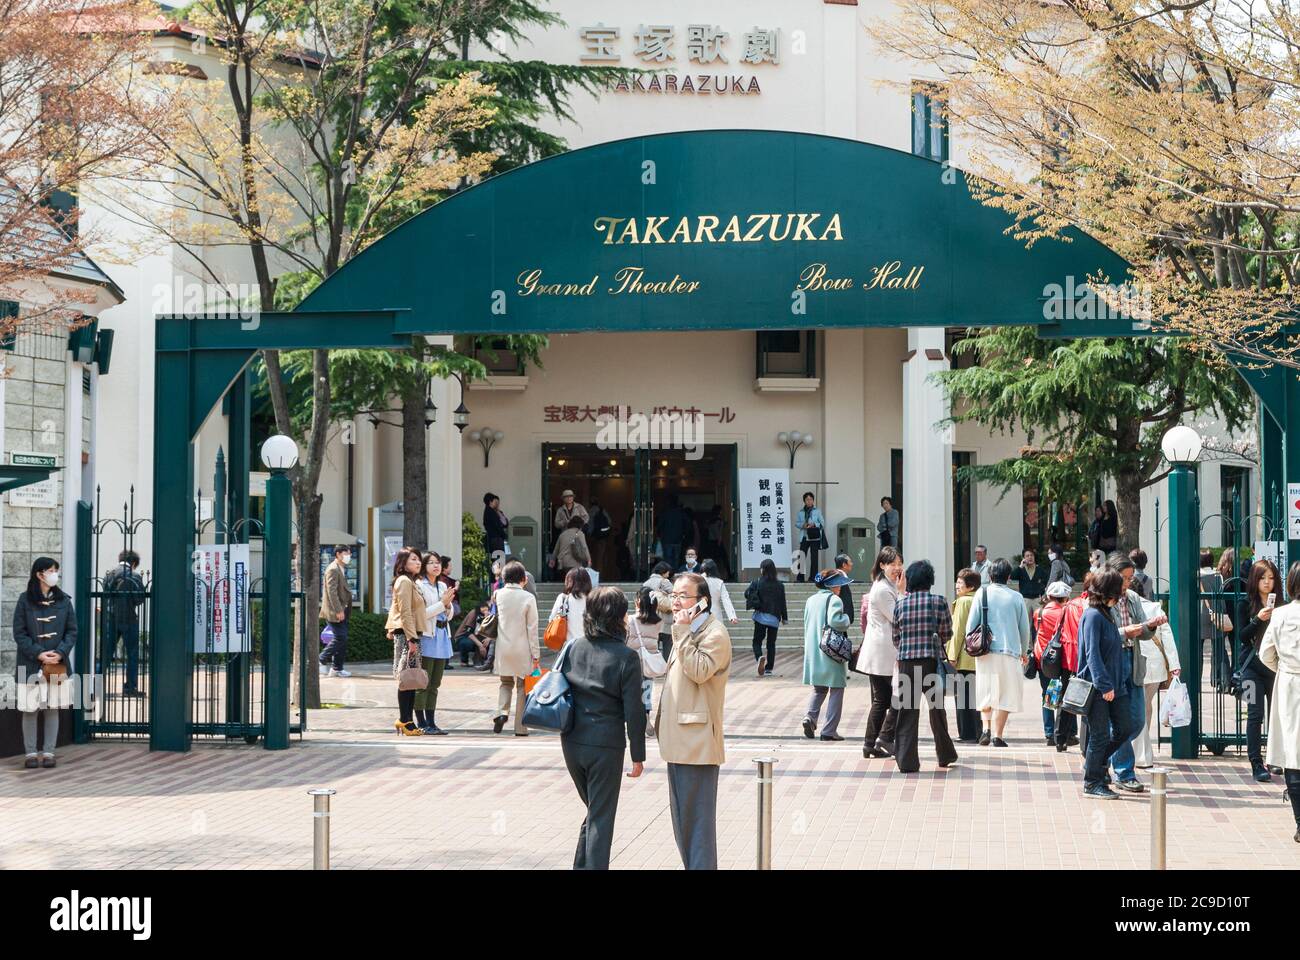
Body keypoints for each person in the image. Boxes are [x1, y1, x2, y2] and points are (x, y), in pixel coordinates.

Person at [560, 585, 647, 869]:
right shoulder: (627, 657)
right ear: (619, 617)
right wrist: (638, 754)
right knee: (601, 817)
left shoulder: (574, 647)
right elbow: (634, 711)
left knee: (595, 810)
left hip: (571, 741)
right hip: (605, 746)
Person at [653, 572, 731, 870]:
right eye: (673, 595)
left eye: (683, 596)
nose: (675, 602)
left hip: (697, 744)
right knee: (683, 825)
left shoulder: (714, 633)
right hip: (679, 742)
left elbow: (699, 671)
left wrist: (683, 633)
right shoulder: (685, 629)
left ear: (702, 601)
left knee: (697, 827)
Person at [1103, 553, 1164, 792]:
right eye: (1124, 578)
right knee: (1119, 720)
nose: (1127, 583)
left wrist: (1150, 626)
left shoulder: (1132, 598)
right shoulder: (1103, 600)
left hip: (1134, 659)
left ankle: (1101, 758)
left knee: (1137, 720)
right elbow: (1103, 634)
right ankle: (1124, 771)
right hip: (1114, 661)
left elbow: (1144, 632)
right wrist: (1125, 632)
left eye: (1129, 578)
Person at [891, 560, 959, 773]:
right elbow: (948, 633)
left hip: (907, 663)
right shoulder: (939, 602)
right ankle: (945, 755)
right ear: (930, 581)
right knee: (937, 710)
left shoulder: (900, 605)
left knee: (907, 711)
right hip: (932, 662)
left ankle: (906, 761)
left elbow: (896, 637)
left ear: (909, 581)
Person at [1077, 570, 1135, 799]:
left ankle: (1097, 763)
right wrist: (1104, 685)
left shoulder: (1107, 613)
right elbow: (1092, 656)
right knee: (1099, 735)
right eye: (1119, 589)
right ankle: (1092, 781)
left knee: (1125, 728)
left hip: (1115, 685)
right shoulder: (1092, 615)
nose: (1122, 593)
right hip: (1098, 687)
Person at [13, 557, 76, 768]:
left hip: (57, 662)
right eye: (50, 570)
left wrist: (60, 652)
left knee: (52, 708)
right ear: (39, 574)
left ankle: (49, 752)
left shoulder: (64, 601)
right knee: (30, 709)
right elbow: (19, 633)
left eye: (56, 570)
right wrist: (39, 653)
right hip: (30, 662)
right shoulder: (24, 600)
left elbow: (72, 631)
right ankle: (30, 753)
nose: (54, 574)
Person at [965, 558, 1032, 746]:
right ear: (1009, 576)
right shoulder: (1016, 597)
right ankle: (998, 735)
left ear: (990, 574)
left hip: (985, 650)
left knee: (986, 690)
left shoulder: (981, 593)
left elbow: (971, 625)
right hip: (1010, 652)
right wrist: (1024, 651)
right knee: (1007, 694)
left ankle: (985, 729)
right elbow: (1024, 629)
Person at [1257, 561, 1300, 843]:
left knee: (1292, 754)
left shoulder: (1281, 614)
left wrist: (1285, 669)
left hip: (1290, 685)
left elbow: (1266, 654)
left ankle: (1299, 821)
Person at [1237, 559, 1282, 782]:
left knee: (1278, 714)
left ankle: (1275, 759)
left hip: (1276, 667)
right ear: (1254, 580)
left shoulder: (1282, 605)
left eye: (1271, 578)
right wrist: (1258, 619)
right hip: (1251, 668)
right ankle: (1256, 762)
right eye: (1262, 578)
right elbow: (1241, 636)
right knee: (1255, 715)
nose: (1267, 582)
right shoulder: (1245, 604)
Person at [856, 546, 903, 758]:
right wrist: (902, 593)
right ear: (882, 565)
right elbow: (898, 617)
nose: (897, 568)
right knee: (897, 697)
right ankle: (884, 738)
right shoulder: (884, 589)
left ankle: (870, 743)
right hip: (883, 652)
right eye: (892, 564)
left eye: (899, 564)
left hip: (880, 652)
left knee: (882, 700)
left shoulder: (885, 585)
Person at [800, 568, 852, 742]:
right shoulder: (834, 600)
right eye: (838, 584)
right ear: (832, 585)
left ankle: (810, 717)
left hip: (814, 650)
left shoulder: (810, 600)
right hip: (830, 651)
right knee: (837, 688)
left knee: (819, 688)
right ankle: (829, 730)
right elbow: (836, 621)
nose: (840, 587)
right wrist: (846, 619)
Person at [1133, 594, 1181, 769]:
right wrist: (1174, 664)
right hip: (1155, 667)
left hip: (1136, 664)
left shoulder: (1126, 606)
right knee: (1145, 707)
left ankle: (1142, 754)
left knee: (1137, 709)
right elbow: (1167, 637)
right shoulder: (1154, 607)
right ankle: (1143, 753)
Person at [492, 560, 539, 735]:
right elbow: (532, 628)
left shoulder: (498, 594)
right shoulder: (528, 598)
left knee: (505, 682)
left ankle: (502, 712)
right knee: (521, 686)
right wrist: (536, 654)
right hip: (522, 647)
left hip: (503, 646)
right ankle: (520, 727)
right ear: (523, 578)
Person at [385, 547, 427, 737]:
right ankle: (404, 720)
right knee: (406, 678)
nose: (418, 562)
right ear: (402, 563)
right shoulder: (404, 581)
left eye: (418, 559)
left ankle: (407, 720)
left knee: (411, 679)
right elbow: (405, 611)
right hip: (407, 635)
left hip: (411, 634)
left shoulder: (411, 582)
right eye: (413, 559)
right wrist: (411, 639)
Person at [414, 552, 456, 735]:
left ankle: (431, 721)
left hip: (441, 636)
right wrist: (442, 604)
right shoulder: (419, 586)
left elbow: (449, 612)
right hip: (427, 637)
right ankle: (421, 722)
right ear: (424, 566)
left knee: (435, 683)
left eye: (438, 563)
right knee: (423, 682)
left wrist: (447, 607)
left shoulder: (441, 585)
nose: (436, 566)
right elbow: (421, 614)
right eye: (431, 563)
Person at [1033, 582, 1079, 748]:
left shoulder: (1039, 612)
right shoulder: (1067, 612)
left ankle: (1049, 733)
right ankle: (1069, 733)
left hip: (1044, 660)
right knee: (1066, 695)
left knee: (1048, 694)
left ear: (1049, 596)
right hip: (1063, 659)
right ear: (1066, 597)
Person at [101, 548, 146, 695]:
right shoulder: (134, 575)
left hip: (111, 617)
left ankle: (95, 687)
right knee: (132, 654)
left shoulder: (109, 574)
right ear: (133, 563)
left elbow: (105, 595)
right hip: (129, 619)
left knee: (106, 653)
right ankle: (130, 688)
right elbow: (139, 599)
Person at [948, 568, 983, 743]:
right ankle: (978, 731)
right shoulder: (981, 599)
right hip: (979, 655)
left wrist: (952, 656)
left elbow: (958, 631)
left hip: (964, 656)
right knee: (976, 696)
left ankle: (966, 733)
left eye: (960, 583)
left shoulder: (963, 602)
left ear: (970, 586)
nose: (957, 586)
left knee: (962, 697)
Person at [746, 558, 788, 676]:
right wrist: (785, 617)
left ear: (763, 569)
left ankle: (759, 657)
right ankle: (769, 668)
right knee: (771, 644)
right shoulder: (780, 585)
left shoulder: (757, 582)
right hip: (774, 619)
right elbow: (782, 602)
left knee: (757, 641)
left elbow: (746, 593)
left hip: (760, 617)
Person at [627, 587, 664, 716]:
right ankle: (646, 715)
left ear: (638, 602)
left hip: (632, 661)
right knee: (647, 690)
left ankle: (633, 715)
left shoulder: (630, 619)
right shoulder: (658, 621)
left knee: (632, 690)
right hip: (649, 660)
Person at [319, 544, 353, 678]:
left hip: (342, 610)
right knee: (340, 637)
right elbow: (331, 592)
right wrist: (338, 610)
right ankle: (321, 659)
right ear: (338, 554)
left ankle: (337, 668)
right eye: (346, 554)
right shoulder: (333, 569)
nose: (349, 557)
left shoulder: (340, 568)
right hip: (334, 611)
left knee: (342, 639)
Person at [549, 566, 592, 648]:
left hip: (569, 647)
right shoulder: (593, 599)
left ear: (569, 582)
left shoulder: (563, 598)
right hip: (589, 647)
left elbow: (551, 619)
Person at [643, 561, 675, 661]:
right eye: (668, 572)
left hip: (651, 619)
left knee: (652, 648)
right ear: (663, 572)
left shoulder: (646, 583)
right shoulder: (664, 581)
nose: (669, 574)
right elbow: (675, 594)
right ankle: (666, 670)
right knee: (667, 648)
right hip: (665, 620)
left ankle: (653, 669)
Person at [797, 492, 827, 581]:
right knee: (802, 557)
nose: (809, 501)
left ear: (813, 500)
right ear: (804, 501)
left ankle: (813, 577)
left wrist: (814, 524)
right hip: (804, 536)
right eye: (807, 499)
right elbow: (797, 523)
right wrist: (803, 525)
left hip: (814, 537)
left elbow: (822, 523)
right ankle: (800, 577)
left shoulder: (817, 511)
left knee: (814, 558)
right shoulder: (801, 512)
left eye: (810, 499)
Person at [454, 601, 492, 668]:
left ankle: (480, 660)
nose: (485, 610)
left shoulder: (490, 615)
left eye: (486, 608)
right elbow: (468, 632)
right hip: (464, 636)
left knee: (486, 642)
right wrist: (480, 645)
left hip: (478, 636)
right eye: (483, 608)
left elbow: (491, 630)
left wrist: (488, 638)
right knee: (467, 643)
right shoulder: (474, 613)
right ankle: (464, 660)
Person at [700, 559, 738, 626]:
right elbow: (726, 600)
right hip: (715, 613)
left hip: (701, 611)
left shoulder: (699, 580)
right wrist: (732, 616)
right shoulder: (719, 582)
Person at [1010, 548, 1049, 615]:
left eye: (1031, 555)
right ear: (1024, 558)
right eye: (1027, 556)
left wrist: (1043, 594)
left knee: (1039, 621)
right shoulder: (1021, 570)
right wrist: (1020, 566)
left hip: (1037, 599)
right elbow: (1012, 577)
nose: (1030, 557)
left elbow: (1045, 582)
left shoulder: (1040, 570)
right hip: (1025, 599)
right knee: (1026, 622)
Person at [657, 495, 690, 570]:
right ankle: (674, 574)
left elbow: (660, 524)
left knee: (667, 559)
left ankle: (668, 575)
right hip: (678, 539)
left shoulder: (665, 512)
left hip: (666, 539)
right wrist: (684, 534)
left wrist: (659, 534)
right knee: (676, 559)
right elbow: (687, 523)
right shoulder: (680, 512)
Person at [586, 497, 613, 577]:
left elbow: (589, 525)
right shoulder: (602, 510)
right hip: (602, 538)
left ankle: (591, 575)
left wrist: (589, 534)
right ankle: (600, 576)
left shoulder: (589, 511)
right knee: (600, 557)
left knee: (590, 557)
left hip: (592, 538)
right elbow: (610, 522)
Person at [834, 553, 856, 625]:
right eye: (850, 562)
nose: (852, 564)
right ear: (844, 564)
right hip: (840, 620)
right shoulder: (839, 578)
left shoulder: (838, 576)